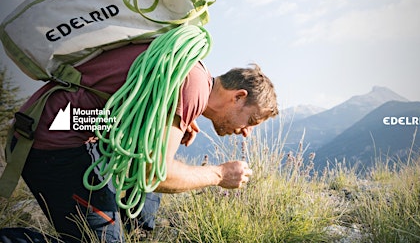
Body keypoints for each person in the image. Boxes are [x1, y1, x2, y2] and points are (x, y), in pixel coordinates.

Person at [0, 42, 279, 242]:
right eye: (251, 121)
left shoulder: (190, 73)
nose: (246, 132)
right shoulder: (191, 85)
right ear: (238, 96)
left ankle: (138, 234)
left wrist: (155, 124)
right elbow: (155, 174)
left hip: (49, 124)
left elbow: (97, 112)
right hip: (53, 144)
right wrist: (220, 174)